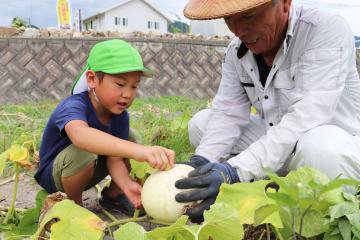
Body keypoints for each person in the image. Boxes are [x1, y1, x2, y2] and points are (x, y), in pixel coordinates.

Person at [175, 0, 360, 222]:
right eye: (229, 19)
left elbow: (306, 118)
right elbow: (227, 112)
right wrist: (201, 163)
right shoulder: (236, 52)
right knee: (201, 124)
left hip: (330, 149)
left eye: (249, 16)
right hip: (279, 145)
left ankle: (329, 211)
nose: (239, 30)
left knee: (321, 147)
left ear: (284, 3)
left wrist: (235, 171)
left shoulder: (324, 30)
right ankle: (271, 182)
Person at [34, 39, 175, 216]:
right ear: (92, 79)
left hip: (87, 171)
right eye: (120, 84)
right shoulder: (73, 106)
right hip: (55, 177)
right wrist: (140, 151)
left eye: (134, 86)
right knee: (84, 151)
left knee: (130, 138)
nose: (128, 94)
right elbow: (80, 136)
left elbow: (114, 159)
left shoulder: (120, 116)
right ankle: (73, 208)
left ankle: (114, 195)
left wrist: (126, 184)